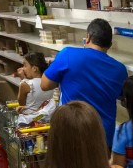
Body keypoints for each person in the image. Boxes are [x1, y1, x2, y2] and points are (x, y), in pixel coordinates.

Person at [41, 18, 127, 150]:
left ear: (88, 37)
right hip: (103, 137)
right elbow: (122, 97)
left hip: (72, 133)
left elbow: (44, 85)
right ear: (110, 44)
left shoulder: (68, 55)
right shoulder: (120, 69)